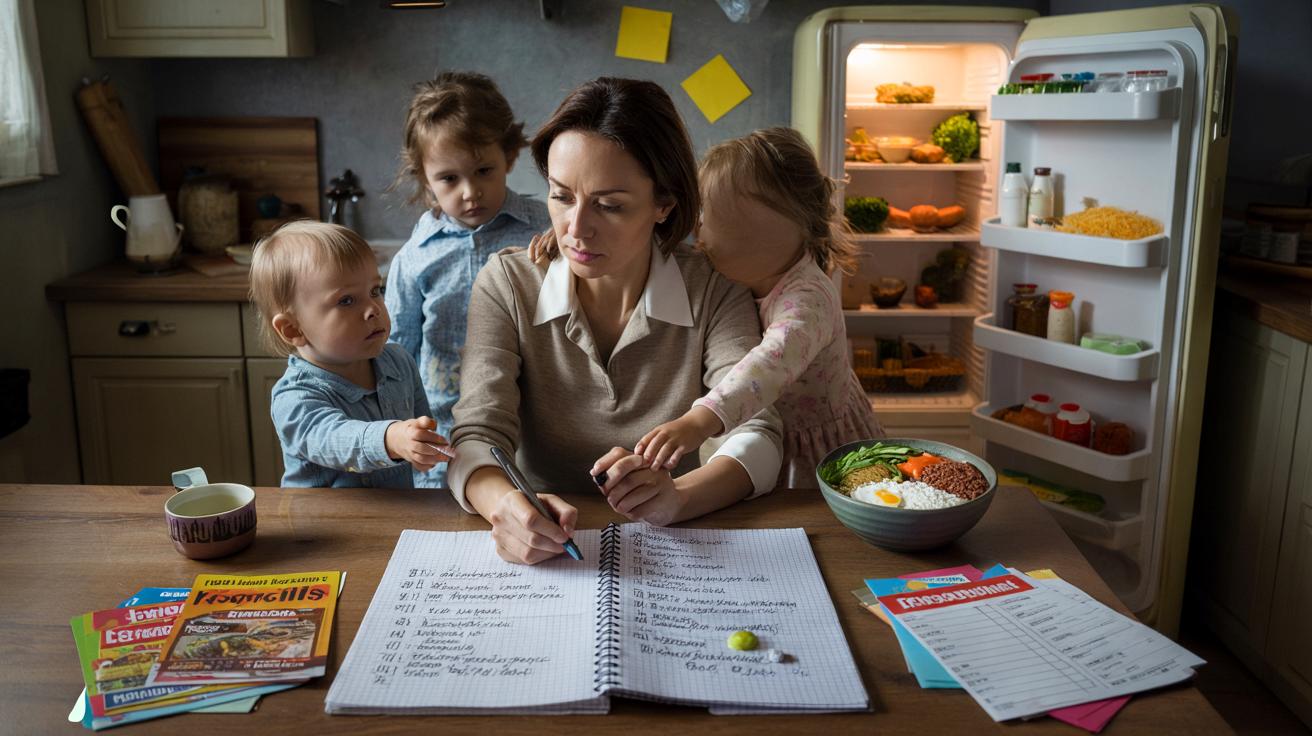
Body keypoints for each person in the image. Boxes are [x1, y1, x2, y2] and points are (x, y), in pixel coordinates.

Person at [448, 77, 783, 564]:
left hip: (684, 547)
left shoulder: (715, 287)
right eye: (562, 197)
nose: (576, 229)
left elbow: (758, 436)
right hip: (549, 553)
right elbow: (476, 438)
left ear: (663, 205)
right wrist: (506, 508)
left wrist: (681, 497)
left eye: (610, 205)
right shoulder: (506, 284)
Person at [633, 127, 884, 488]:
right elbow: (651, 250)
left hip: (813, 454)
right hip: (759, 433)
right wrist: (568, 247)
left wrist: (698, 421)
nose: (697, 229)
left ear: (776, 225)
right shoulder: (750, 266)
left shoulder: (809, 298)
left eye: (710, 214)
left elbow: (769, 363)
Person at [386, 71, 550, 488]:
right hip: (441, 440)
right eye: (449, 178)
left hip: (534, 436)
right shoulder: (416, 257)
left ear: (510, 157)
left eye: (483, 171)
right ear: (424, 176)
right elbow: (396, 354)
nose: (469, 191)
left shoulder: (547, 234)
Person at [251, 221, 452, 488]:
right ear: (292, 329)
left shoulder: (400, 363)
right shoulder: (294, 398)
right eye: (346, 300)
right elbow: (334, 440)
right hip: (322, 526)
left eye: (375, 291)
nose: (373, 309)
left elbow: (419, 429)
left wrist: (424, 444)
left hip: (394, 516)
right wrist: (392, 438)